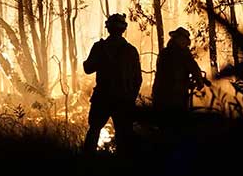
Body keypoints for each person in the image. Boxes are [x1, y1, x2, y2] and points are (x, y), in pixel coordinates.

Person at [82, 13, 142, 155]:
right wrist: (131, 97)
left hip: (102, 98)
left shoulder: (99, 47)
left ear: (108, 28)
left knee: (94, 130)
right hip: (123, 99)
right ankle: (123, 165)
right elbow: (138, 79)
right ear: (123, 29)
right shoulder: (131, 51)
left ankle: (86, 161)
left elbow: (88, 68)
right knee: (124, 133)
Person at [151, 26, 205, 112]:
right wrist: (200, 83)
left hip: (160, 94)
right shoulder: (184, 54)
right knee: (177, 121)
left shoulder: (164, 53)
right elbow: (194, 70)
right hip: (177, 96)